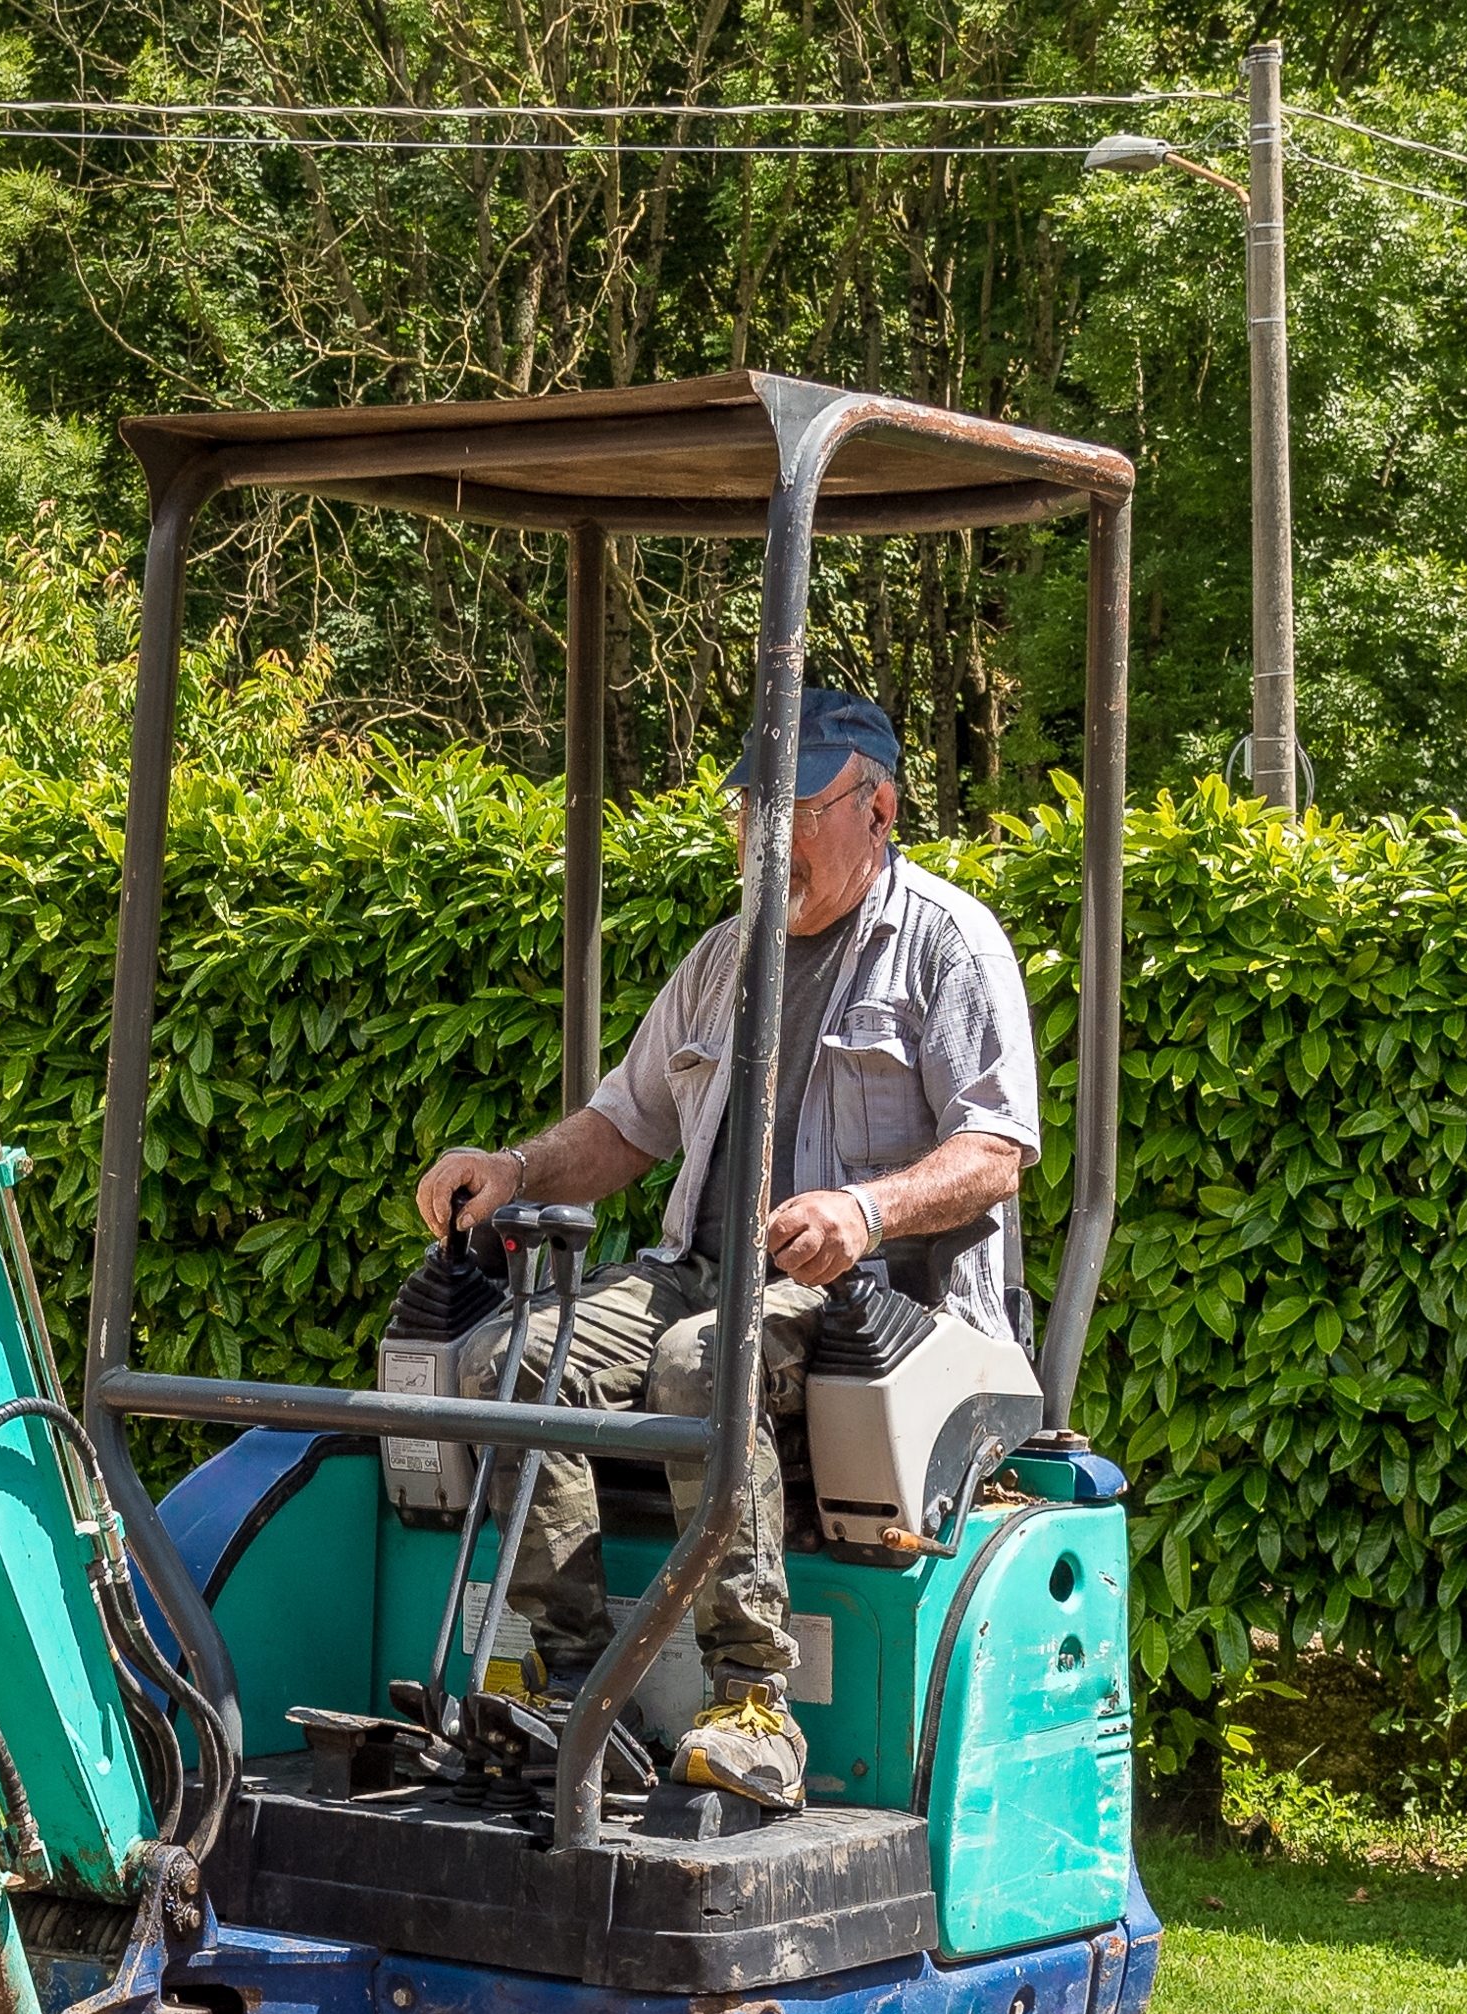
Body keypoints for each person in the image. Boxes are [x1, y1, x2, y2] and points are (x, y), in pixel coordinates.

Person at [406, 690, 1041, 1815]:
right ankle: (568, 1688)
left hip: (883, 1306)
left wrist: (865, 1210)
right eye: (749, 809)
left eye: (792, 808)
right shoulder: (719, 959)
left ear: (876, 805)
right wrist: (510, 1166)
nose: (762, 837)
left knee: (703, 1367)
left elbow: (995, 1151)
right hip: (695, 1276)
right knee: (500, 1362)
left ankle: (753, 1707)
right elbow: (620, 1129)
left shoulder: (948, 940)